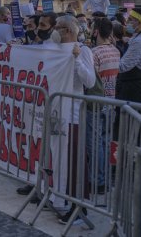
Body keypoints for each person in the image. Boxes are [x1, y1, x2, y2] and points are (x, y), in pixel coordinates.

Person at [54, 15, 95, 223]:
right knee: (59, 158)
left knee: (74, 160)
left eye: (57, 27)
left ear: (67, 30)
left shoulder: (83, 50)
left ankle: (80, 205)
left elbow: (90, 80)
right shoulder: (54, 49)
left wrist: (77, 58)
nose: (54, 30)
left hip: (73, 113)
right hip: (56, 113)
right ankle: (60, 197)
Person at [88, 17, 120, 193]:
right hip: (111, 101)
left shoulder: (95, 53)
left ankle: (97, 181)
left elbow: (91, 80)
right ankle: (105, 179)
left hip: (98, 103)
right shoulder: (115, 51)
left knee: (95, 144)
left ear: (96, 32)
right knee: (106, 142)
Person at [117, 8, 141, 104]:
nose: (127, 22)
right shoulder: (138, 36)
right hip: (131, 84)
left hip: (135, 88)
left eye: (130, 20)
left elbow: (124, 66)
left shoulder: (140, 41)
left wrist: (108, 61)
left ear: (139, 22)